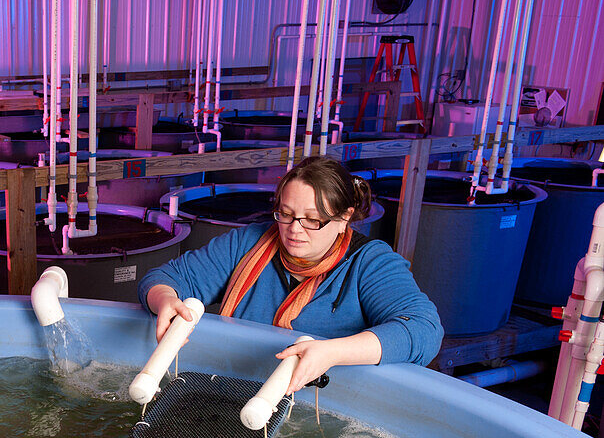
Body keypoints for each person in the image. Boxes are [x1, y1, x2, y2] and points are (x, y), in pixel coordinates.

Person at [138, 156, 443, 394]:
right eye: (285, 214)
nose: (294, 230)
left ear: (343, 218)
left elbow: (423, 330)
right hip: (231, 386)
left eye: (312, 220)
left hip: (322, 400)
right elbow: (166, 277)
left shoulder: (369, 262)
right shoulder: (248, 243)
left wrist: (332, 352)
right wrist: (165, 300)